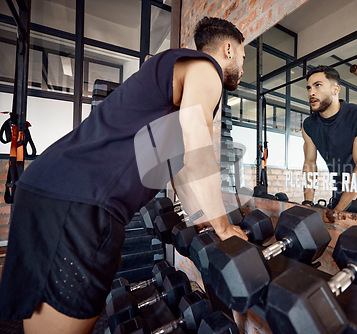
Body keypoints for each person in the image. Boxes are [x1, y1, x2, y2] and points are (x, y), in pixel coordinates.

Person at [0, 17, 247, 333]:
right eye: (242, 56)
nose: (242, 65)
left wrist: (204, 219)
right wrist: (224, 228)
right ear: (229, 48)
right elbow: (199, 151)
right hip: (83, 203)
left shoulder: (171, 78)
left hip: (48, 189)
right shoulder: (205, 69)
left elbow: (183, 169)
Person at [302, 65, 357, 212]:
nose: (312, 92)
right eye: (309, 88)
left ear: (336, 89)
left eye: (318, 86)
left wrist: (337, 212)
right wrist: (307, 203)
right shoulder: (309, 125)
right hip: (340, 190)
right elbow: (310, 165)